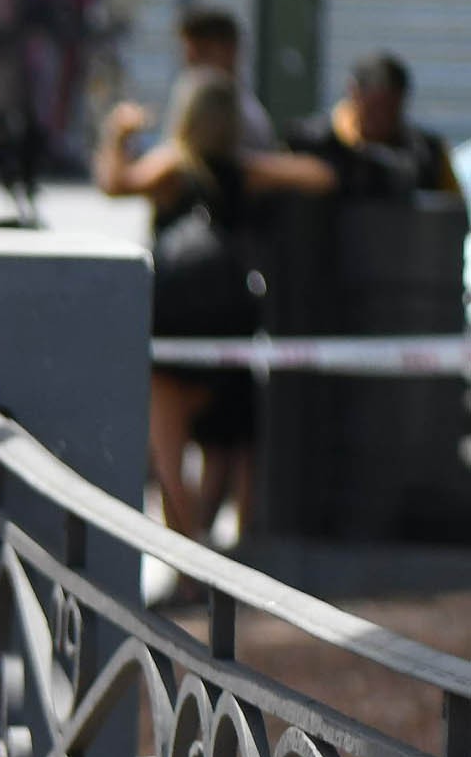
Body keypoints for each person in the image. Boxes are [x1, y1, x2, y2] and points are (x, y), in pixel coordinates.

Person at [96, 69, 335, 544]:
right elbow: (320, 177)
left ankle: (188, 561)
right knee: (230, 445)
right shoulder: (246, 171)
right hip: (229, 318)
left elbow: (115, 182)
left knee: (169, 453)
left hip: (173, 322)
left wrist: (118, 133)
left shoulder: (172, 167)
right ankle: (226, 553)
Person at [298, 51, 462, 204]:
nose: (381, 118)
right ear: (353, 93)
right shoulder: (315, 142)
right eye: (373, 108)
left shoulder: (427, 153)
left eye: (390, 109)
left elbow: (453, 212)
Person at [171, 3, 279, 151]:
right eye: (189, 54)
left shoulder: (244, 115)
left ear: (230, 50)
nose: (192, 63)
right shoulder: (190, 95)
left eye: (202, 52)